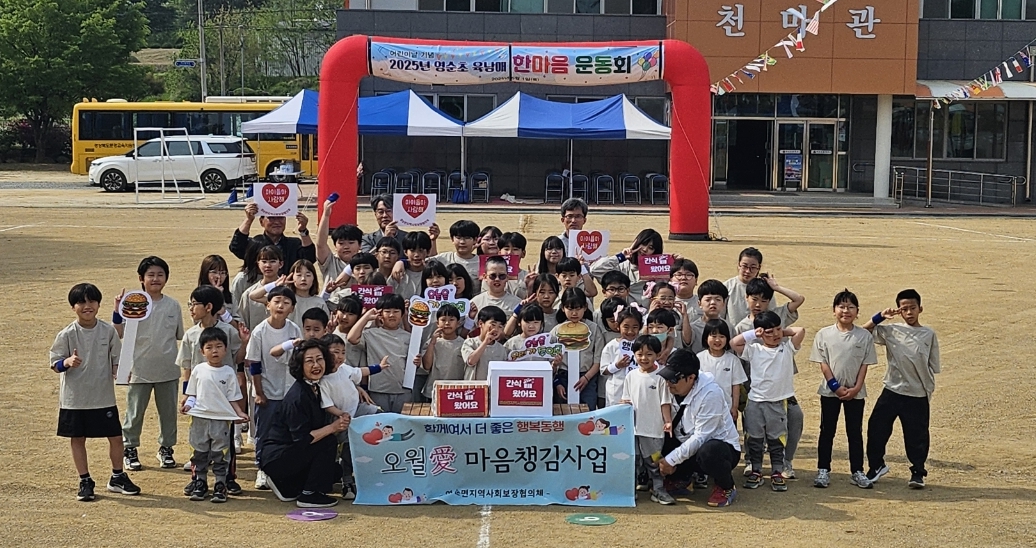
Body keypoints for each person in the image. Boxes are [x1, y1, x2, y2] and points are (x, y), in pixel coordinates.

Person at [51, 283, 140, 502]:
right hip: (75, 399)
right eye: (81, 302)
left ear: (99, 304)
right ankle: (85, 480)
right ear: (73, 307)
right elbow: (55, 363)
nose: (87, 306)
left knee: (116, 437)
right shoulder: (67, 334)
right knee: (77, 438)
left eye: (91, 301)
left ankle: (117, 476)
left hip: (103, 398)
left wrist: (118, 371)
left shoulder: (107, 331)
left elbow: (117, 359)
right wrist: (67, 362)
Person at [862, 289, 940, 489]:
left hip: (917, 393)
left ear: (920, 309)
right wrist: (880, 317)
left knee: (917, 435)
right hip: (892, 390)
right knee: (876, 427)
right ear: (899, 311)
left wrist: (927, 388)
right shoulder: (891, 331)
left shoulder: (929, 334)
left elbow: (933, 365)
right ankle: (876, 466)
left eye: (913, 308)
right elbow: (863, 333)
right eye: (904, 309)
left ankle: (918, 472)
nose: (909, 312)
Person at [259, 339, 349, 508]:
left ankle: (285, 485)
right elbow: (303, 439)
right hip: (278, 457)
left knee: (334, 471)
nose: (316, 365)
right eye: (309, 361)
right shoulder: (298, 397)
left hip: (292, 453)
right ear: (300, 365)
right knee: (328, 442)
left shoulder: (317, 386)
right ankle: (310, 495)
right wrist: (333, 427)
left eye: (320, 359)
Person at [115, 256, 185, 472]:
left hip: (168, 368)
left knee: (168, 413)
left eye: (160, 274)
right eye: (151, 275)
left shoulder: (173, 305)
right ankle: (129, 448)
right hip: (139, 369)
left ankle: (166, 448)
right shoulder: (132, 302)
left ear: (166, 278)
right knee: (134, 412)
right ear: (141, 278)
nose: (156, 279)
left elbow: (179, 334)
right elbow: (119, 333)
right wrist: (117, 311)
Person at [730, 311, 805, 492]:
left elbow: (800, 330)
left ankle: (777, 471)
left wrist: (779, 332)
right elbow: (734, 343)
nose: (775, 335)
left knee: (776, 439)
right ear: (760, 333)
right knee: (754, 438)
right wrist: (754, 334)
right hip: (755, 402)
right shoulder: (754, 349)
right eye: (769, 332)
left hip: (778, 402)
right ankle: (756, 470)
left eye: (778, 329)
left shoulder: (787, 348)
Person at [658, 349, 742, 509]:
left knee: (709, 452)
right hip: (685, 438)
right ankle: (682, 479)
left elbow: (701, 436)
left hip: (720, 448)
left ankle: (726, 486)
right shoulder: (671, 386)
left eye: (673, 379)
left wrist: (671, 460)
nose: (669, 383)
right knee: (658, 436)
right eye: (667, 377)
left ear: (691, 378)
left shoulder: (711, 394)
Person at [811, 289, 877, 489]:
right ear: (834, 310)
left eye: (850, 307)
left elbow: (865, 364)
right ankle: (823, 469)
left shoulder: (864, 336)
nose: (846, 311)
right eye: (841, 306)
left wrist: (856, 388)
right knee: (827, 430)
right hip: (830, 392)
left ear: (857, 311)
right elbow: (823, 363)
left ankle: (857, 471)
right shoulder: (824, 334)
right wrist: (835, 387)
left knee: (854, 431)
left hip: (856, 393)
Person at [180, 328, 249, 503]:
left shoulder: (228, 372)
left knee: (221, 453)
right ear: (202, 351)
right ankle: (200, 482)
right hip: (199, 418)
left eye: (219, 346)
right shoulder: (198, 370)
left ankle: (220, 484)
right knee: (199, 451)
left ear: (225, 349)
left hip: (221, 420)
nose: (214, 351)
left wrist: (240, 413)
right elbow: (192, 393)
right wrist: (188, 404)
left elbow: (232, 398)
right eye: (209, 347)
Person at [245, 285, 301, 490]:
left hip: (289, 390)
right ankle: (262, 467)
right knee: (264, 430)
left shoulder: (294, 329)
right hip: (267, 391)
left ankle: (284, 469)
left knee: (288, 432)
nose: (281, 306)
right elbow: (254, 363)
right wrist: (259, 392)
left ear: (292, 308)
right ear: (268, 305)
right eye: (276, 301)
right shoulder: (259, 331)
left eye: (286, 303)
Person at [620, 335, 674, 505]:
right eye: (640, 354)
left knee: (654, 460)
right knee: (634, 460)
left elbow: (665, 402)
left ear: (657, 355)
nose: (644, 358)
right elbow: (626, 400)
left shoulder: (661, 377)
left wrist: (668, 421)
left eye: (649, 354)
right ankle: (631, 489)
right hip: (634, 428)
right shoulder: (631, 376)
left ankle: (658, 489)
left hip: (653, 429)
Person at [348, 294, 410, 413]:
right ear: (380, 314)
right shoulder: (371, 334)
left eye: (396, 311)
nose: (391, 315)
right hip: (378, 390)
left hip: (403, 390)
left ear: (402, 314)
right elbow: (351, 338)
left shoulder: (408, 336)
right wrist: (367, 317)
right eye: (387, 311)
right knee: (379, 422)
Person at [229, 202, 315, 276]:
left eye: (281, 217)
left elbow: (310, 258)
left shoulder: (293, 244)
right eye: (271, 218)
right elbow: (236, 247)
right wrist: (249, 219)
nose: (277, 222)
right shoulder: (256, 243)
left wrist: (303, 230)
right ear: (261, 221)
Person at [696, 319, 747, 424]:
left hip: (726, 410)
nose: (718, 340)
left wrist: (734, 407)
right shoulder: (699, 358)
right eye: (713, 336)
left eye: (722, 336)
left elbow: (736, 386)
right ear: (706, 338)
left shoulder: (733, 360)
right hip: (704, 409)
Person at [600, 306, 643, 407]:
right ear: (618, 326)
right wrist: (617, 365)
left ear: (640, 327)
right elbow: (603, 370)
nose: (630, 331)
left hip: (638, 389)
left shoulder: (643, 345)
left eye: (635, 327)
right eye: (626, 327)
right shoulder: (612, 346)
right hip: (617, 390)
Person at [315, 196, 362, 283]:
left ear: (360, 245)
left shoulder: (366, 263)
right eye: (341, 243)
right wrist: (326, 215)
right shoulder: (330, 261)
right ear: (335, 246)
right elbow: (320, 244)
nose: (346, 247)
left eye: (351, 242)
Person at [724, 247, 775, 326]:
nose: (748, 271)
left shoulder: (765, 288)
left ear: (759, 268)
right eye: (744, 266)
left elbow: (771, 313)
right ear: (738, 265)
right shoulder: (727, 287)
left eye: (753, 267)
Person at [462, 306, 508, 381]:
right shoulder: (470, 342)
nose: (496, 329)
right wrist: (485, 342)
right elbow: (471, 361)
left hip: (493, 386)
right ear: (480, 323)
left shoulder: (501, 349)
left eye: (500, 327)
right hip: (474, 386)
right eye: (493, 325)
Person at [471, 256, 522, 322]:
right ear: (485, 277)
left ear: (507, 277)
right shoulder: (475, 303)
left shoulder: (517, 304)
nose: (497, 279)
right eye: (493, 276)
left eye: (502, 276)